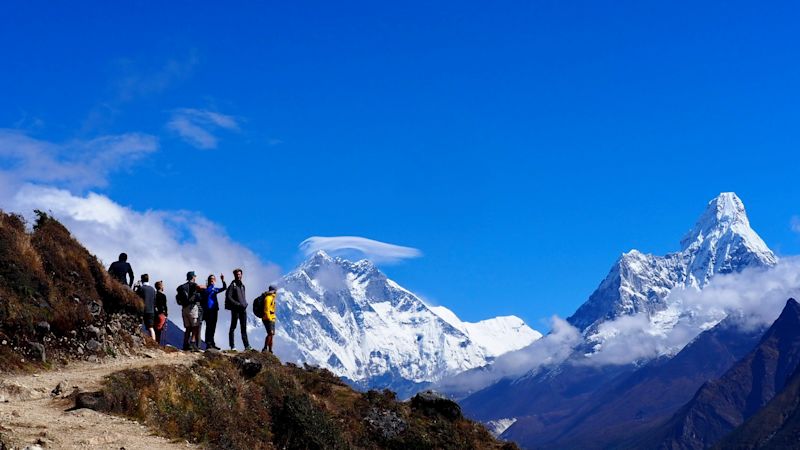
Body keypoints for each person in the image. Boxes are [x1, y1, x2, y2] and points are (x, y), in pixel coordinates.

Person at [225, 268, 251, 350]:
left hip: (243, 309)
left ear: (241, 275)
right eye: (237, 274)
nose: (238, 276)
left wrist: (245, 303)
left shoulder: (243, 286)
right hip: (235, 309)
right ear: (234, 275)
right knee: (233, 327)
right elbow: (228, 297)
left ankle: (247, 346)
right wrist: (237, 304)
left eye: (239, 274)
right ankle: (232, 346)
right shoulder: (232, 286)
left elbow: (243, 297)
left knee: (243, 328)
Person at [179, 271, 205, 351]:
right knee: (195, 327)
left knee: (187, 328)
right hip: (192, 308)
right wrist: (207, 286)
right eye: (194, 276)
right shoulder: (193, 285)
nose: (195, 278)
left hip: (184, 309)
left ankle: (185, 345)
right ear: (193, 277)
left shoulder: (182, 286)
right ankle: (192, 343)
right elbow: (200, 288)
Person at [202, 273, 227, 350]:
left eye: (213, 279)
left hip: (215, 309)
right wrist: (211, 285)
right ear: (209, 280)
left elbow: (224, 288)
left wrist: (223, 280)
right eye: (210, 279)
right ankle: (208, 343)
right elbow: (208, 292)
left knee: (213, 327)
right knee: (209, 327)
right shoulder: (207, 288)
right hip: (208, 310)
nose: (212, 280)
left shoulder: (215, 289)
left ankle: (212, 343)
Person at [134, 274, 157, 340]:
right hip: (151, 310)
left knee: (139, 325)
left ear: (142, 280)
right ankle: (154, 342)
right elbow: (154, 301)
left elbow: (135, 296)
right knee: (151, 328)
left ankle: (138, 339)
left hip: (142, 310)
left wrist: (135, 287)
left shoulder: (141, 288)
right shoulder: (153, 289)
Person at [262, 285, 278, 353]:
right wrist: (268, 318)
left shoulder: (272, 298)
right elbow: (266, 309)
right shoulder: (268, 298)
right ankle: (265, 348)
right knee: (270, 333)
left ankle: (270, 350)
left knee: (272, 334)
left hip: (272, 318)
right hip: (268, 318)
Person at [154, 281, 168, 345]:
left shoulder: (154, 295)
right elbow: (165, 306)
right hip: (161, 314)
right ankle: (157, 343)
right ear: (161, 287)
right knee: (159, 330)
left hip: (155, 313)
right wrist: (166, 314)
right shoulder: (163, 296)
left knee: (154, 329)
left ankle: (154, 342)